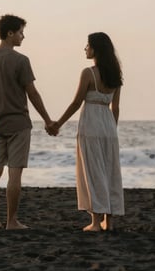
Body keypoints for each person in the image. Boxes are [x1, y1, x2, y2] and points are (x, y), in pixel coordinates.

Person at [0, 14, 56, 230]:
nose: (23, 36)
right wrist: (48, 120)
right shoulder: (21, 60)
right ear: (10, 33)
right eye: (21, 32)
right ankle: (11, 221)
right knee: (14, 173)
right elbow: (32, 93)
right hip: (18, 124)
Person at [50, 32, 124, 231]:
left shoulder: (88, 73)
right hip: (108, 126)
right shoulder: (115, 75)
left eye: (87, 46)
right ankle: (109, 221)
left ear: (95, 49)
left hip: (91, 123)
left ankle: (94, 223)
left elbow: (76, 102)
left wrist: (58, 124)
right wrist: (112, 130)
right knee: (110, 172)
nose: (85, 49)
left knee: (93, 172)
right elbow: (115, 108)